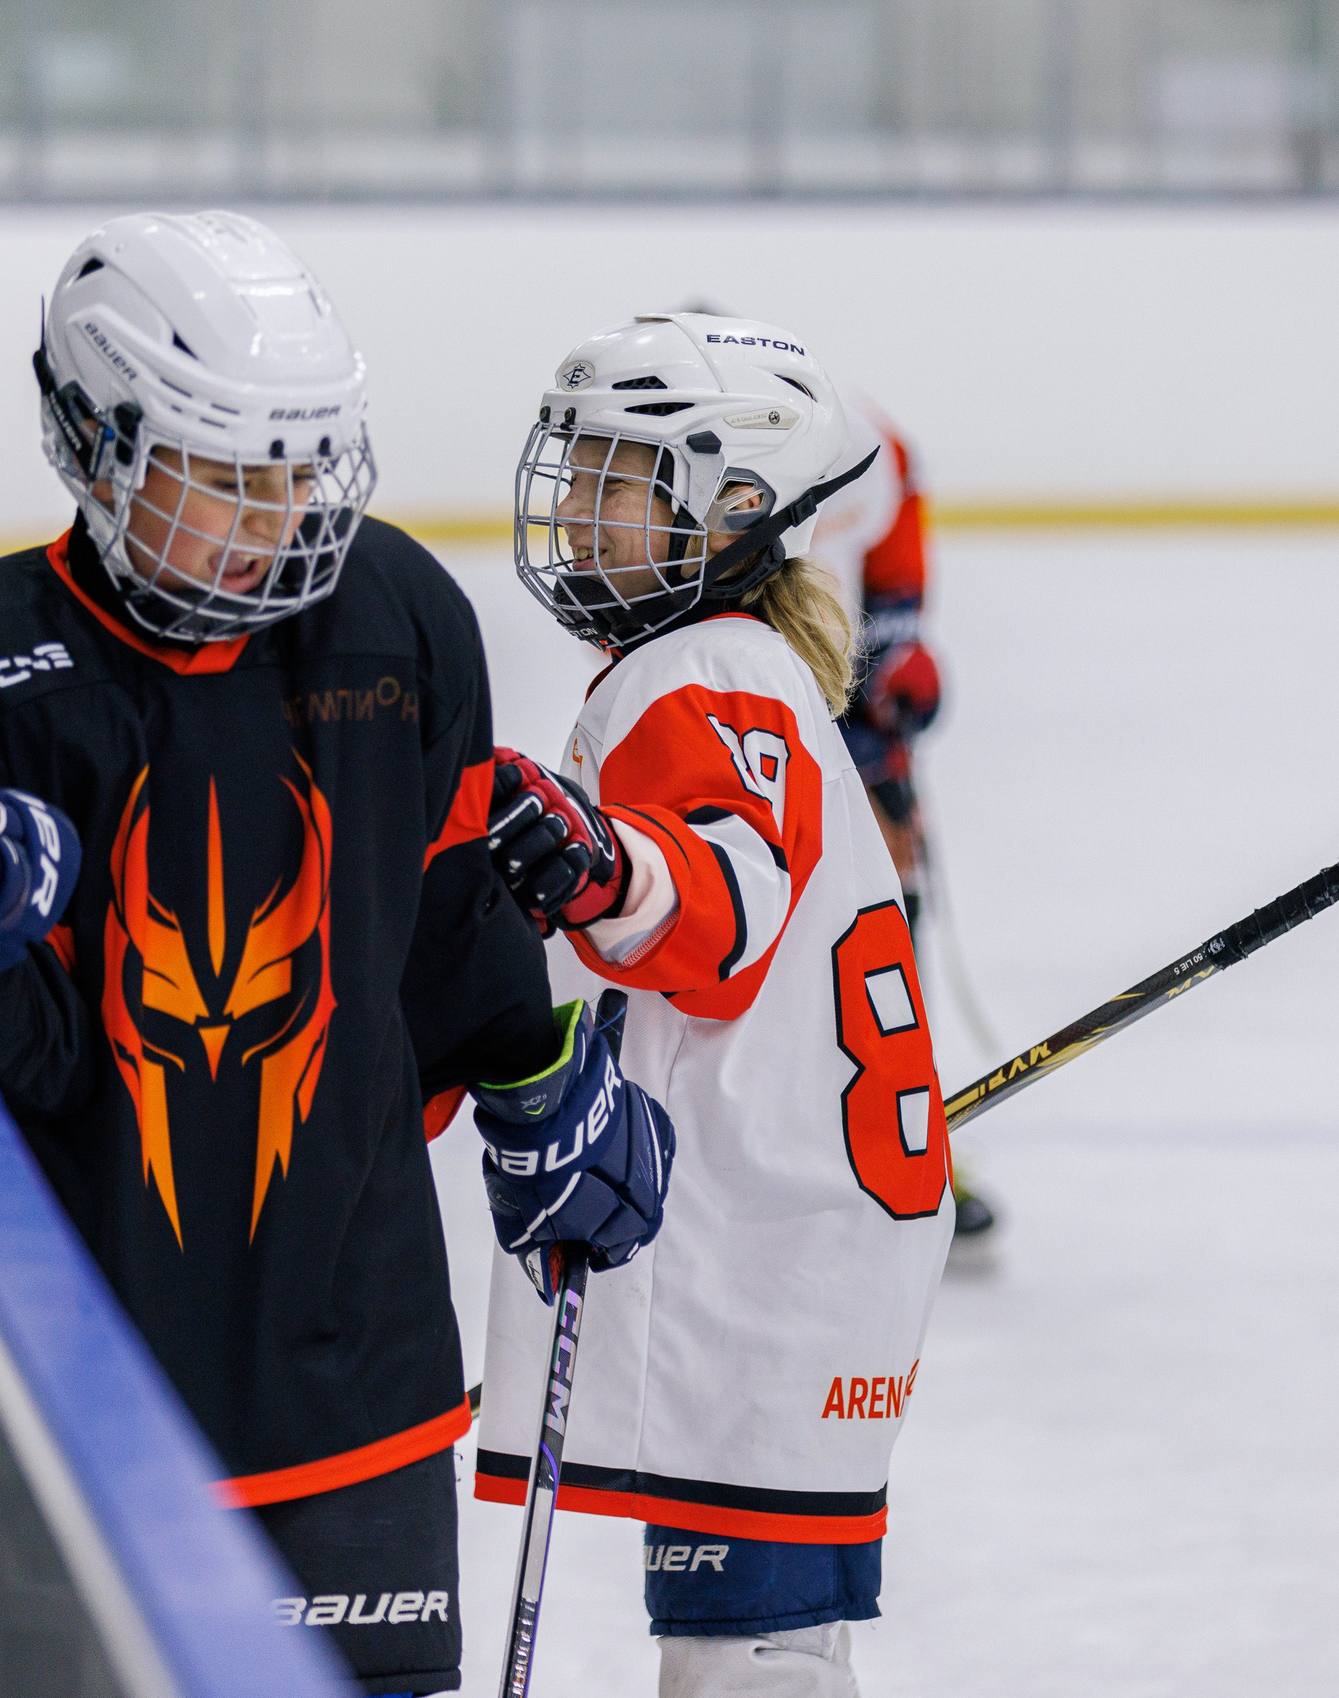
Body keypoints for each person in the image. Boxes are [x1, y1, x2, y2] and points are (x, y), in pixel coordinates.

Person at [0, 211, 675, 1698]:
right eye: (231, 475)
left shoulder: (401, 619)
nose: (289, 510)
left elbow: (440, 927)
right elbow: (3, 1070)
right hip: (76, 1396)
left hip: (354, 1378)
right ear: (97, 447)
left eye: (306, 463)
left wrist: (539, 1077)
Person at [475, 313, 954, 1697]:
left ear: (732, 507)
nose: (573, 504)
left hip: (760, 1272)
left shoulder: (710, 670)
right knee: (774, 1645)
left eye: (613, 475)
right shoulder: (738, 668)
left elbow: (720, 910)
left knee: (747, 1657)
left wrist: (601, 863)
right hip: (796, 1248)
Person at [805, 394, 999, 1238]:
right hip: (730, 702)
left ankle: (901, 1133)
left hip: (835, 692)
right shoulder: (664, 463)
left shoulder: (861, 441)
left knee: (888, 898)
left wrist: (898, 647)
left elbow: (893, 548)